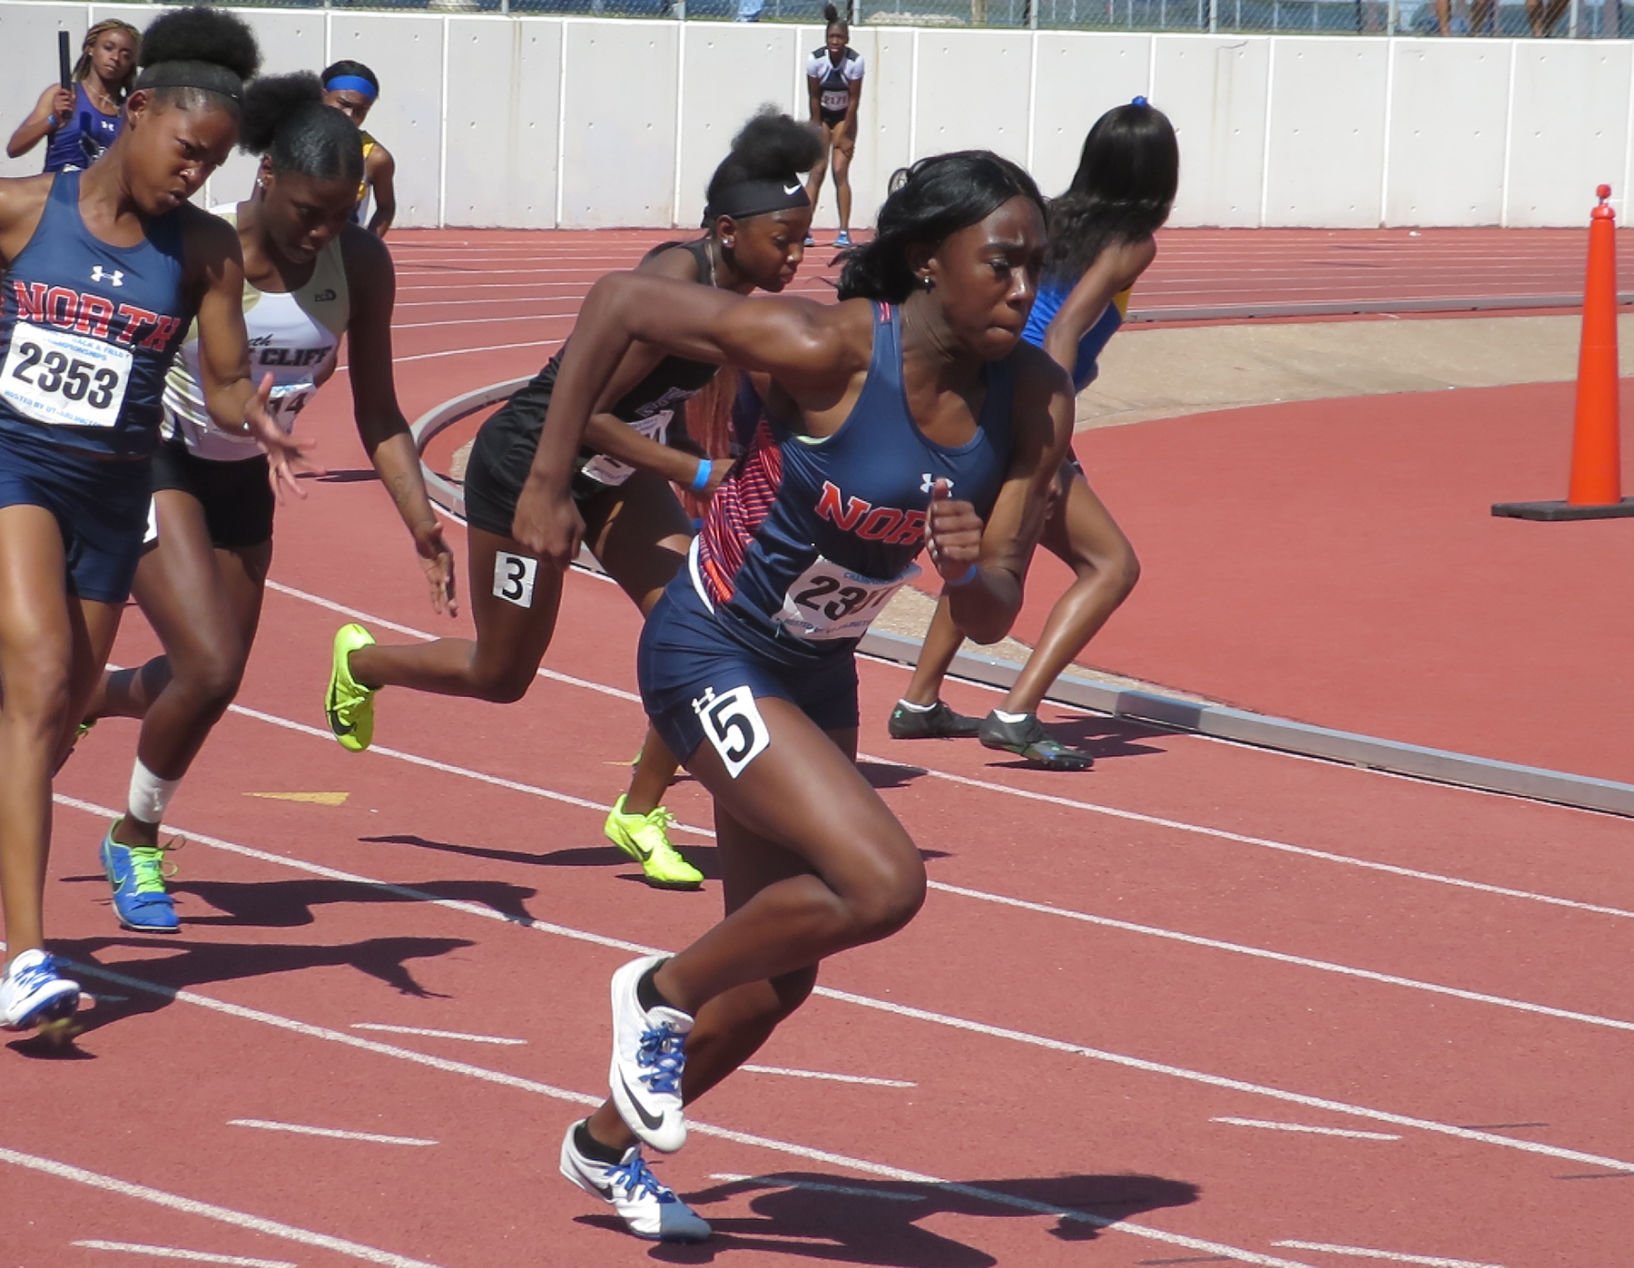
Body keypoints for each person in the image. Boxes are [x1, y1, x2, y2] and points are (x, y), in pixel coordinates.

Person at [516, 151, 1069, 1242]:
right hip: (707, 647)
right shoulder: (829, 347)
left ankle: (600, 1144)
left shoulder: (1032, 396)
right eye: (1000, 265)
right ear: (927, 261)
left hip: (813, 676)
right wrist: (544, 479)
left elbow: (998, 611)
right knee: (883, 880)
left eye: (1035, 271)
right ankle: (656, 991)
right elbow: (620, 299)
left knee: (776, 982)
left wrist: (968, 570)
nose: (1021, 291)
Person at [322, 110, 821, 891]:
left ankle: (640, 809)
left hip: (617, 482)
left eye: (808, 240)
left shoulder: (732, 293)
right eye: (784, 239)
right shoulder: (669, 288)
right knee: (503, 673)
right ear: (727, 230)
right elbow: (585, 413)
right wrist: (693, 475)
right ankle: (365, 662)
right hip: (530, 471)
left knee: (707, 632)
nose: (797, 257)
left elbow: (660, 411)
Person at [78, 73, 455, 935]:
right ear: (265, 180)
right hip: (155, 459)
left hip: (246, 478)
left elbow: (380, 410)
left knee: (213, 682)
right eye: (309, 213)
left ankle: (95, 697)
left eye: (342, 213)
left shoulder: (358, 261)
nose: (322, 232)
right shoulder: (198, 249)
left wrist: (423, 524)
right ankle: (134, 839)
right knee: (208, 664)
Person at [0, 7, 308, 1032]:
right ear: (136, 114)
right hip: (17, 473)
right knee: (43, 679)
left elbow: (220, 384)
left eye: (213, 164)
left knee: (58, 707)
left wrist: (254, 413)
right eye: (185, 151)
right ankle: (31, 956)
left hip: (113, 495)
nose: (194, 177)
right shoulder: (19, 214)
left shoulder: (204, 252)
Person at [889, 98, 1177, 771]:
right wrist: (1051, 439)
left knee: (984, 558)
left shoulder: (1049, 216)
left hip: (986, 393)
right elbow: (1063, 331)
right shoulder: (1134, 241)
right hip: (1027, 404)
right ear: (1160, 178)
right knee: (1111, 566)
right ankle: (1016, 714)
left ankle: (921, 700)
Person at [7, 20, 140, 173]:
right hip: (58, 192)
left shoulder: (131, 110)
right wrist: (53, 119)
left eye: (125, 55)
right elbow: (14, 148)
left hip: (102, 196)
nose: (115, 58)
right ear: (90, 49)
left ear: (131, 63)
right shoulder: (63, 93)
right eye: (108, 48)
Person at [804, 4, 864, 249]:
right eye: (831, 37)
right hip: (822, 116)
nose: (835, 41)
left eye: (839, 37)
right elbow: (814, 97)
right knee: (816, 171)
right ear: (826, 38)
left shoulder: (855, 62)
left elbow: (854, 100)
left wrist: (846, 133)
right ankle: (804, 229)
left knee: (840, 171)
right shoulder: (815, 60)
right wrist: (817, 126)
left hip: (844, 117)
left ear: (847, 39)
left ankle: (843, 231)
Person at [319, 62, 395, 238]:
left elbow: (386, 208)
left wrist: (368, 245)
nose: (349, 115)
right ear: (322, 95)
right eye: (343, 104)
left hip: (339, 255)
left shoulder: (375, 158)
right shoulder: (291, 137)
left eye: (361, 111)